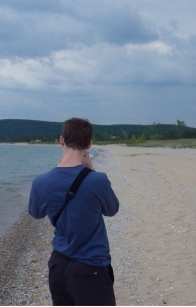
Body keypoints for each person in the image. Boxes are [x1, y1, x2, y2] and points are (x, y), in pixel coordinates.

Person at [27, 118, 121, 305]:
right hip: (91, 267)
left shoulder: (40, 182)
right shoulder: (98, 181)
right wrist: (91, 170)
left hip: (58, 266)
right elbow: (112, 210)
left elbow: (36, 213)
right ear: (88, 144)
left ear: (62, 140)